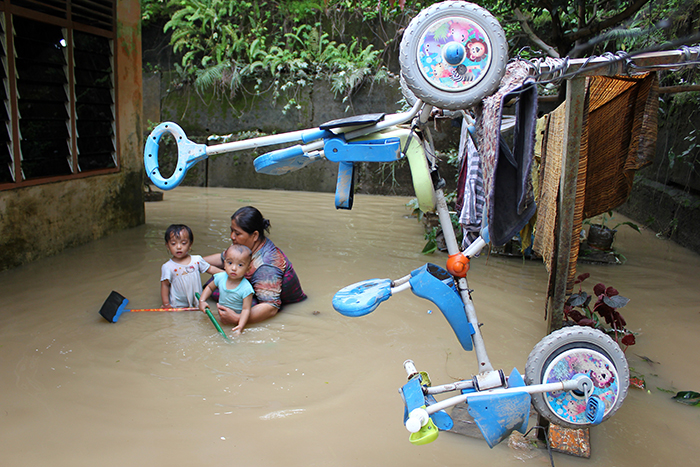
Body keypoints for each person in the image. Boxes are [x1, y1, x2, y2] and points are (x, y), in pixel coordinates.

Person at [203, 206, 306, 326]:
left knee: (232, 294)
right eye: (231, 231)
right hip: (254, 287)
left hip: (275, 302)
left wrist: (237, 318)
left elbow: (271, 307)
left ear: (255, 235)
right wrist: (193, 262)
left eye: (237, 233)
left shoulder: (266, 266)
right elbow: (223, 258)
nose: (232, 236)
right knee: (219, 280)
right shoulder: (245, 247)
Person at [198, 244, 255, 335]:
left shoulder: (246, 289)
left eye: (240, 265)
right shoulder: (220, 277)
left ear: (248, 269)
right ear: (224, 264)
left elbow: (246, 310)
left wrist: (240, 326)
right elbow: (209, 287)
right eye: (230, 263)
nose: (233, 268)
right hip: (220, 317)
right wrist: (202, 300)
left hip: (235, 322)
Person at [161, 224, 221, 308]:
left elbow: (210, 268)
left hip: (197, 302)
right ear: (167, 246)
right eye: (173, 243)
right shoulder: (167, 266)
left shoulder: (196, 260)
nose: (178, 247)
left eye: (183, 243)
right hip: (177, 305)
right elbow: (165, 285)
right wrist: (166, 304)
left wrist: (225, 274)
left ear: (190, 245)